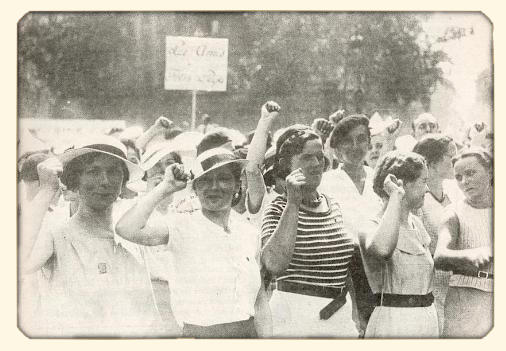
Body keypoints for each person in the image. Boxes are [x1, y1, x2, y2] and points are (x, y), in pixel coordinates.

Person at [115, 144, 271, 338]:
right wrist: (165, 187)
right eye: (205, 180)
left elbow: (259, 300)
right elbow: (126, 228)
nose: (214, 187)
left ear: (237, 185)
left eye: (223, 179)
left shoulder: (248, 232)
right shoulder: (180, 226)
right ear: (195, 188)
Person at [19, 136, 164, 337]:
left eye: (113, 171)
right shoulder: (57, 234)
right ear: (75, 180)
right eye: (93, 171)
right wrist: (46, 190)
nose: (104, 181)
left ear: (123, 182)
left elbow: (148, 319)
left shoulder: (131, 238)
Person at [261, 125, 357, 337]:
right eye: (306, 158)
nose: (316, 164)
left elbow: (345, 268)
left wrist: (355, 317)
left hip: (338, 315)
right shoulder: (278, 207)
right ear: (287, 165)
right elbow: (274, 264)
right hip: (295, 317)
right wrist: (293, 203)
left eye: (320, 157)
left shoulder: (334, 204)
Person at [359, 150, 438, 337]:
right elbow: (383, 249)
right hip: (394, 322)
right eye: (423, 181)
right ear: (401, 183)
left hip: (426, 319)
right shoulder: (371, 225)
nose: (427, 189)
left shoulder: (417, 223)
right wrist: (395, 196)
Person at [319, 114, 382, 336]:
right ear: (335, 148)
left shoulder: (379, 179)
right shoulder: (325, 183)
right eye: (347, 140)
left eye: (361, 139)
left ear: (369, 142)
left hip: (379, 266)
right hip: (343, 268)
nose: (355, 146)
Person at [434, 147, 493, 338]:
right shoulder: (454, 212)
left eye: (470, 173)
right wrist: (472, 254)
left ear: (490, 171)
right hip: (466, 299)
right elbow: (440, 256)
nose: (464, 181)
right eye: (458, 177)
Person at [412, 134, 458, 334]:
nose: (456, 161)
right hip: (430, 285)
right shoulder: (418, 201)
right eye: (451, 156)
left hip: (455, 284)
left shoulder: (453, 195)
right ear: (431, 160)